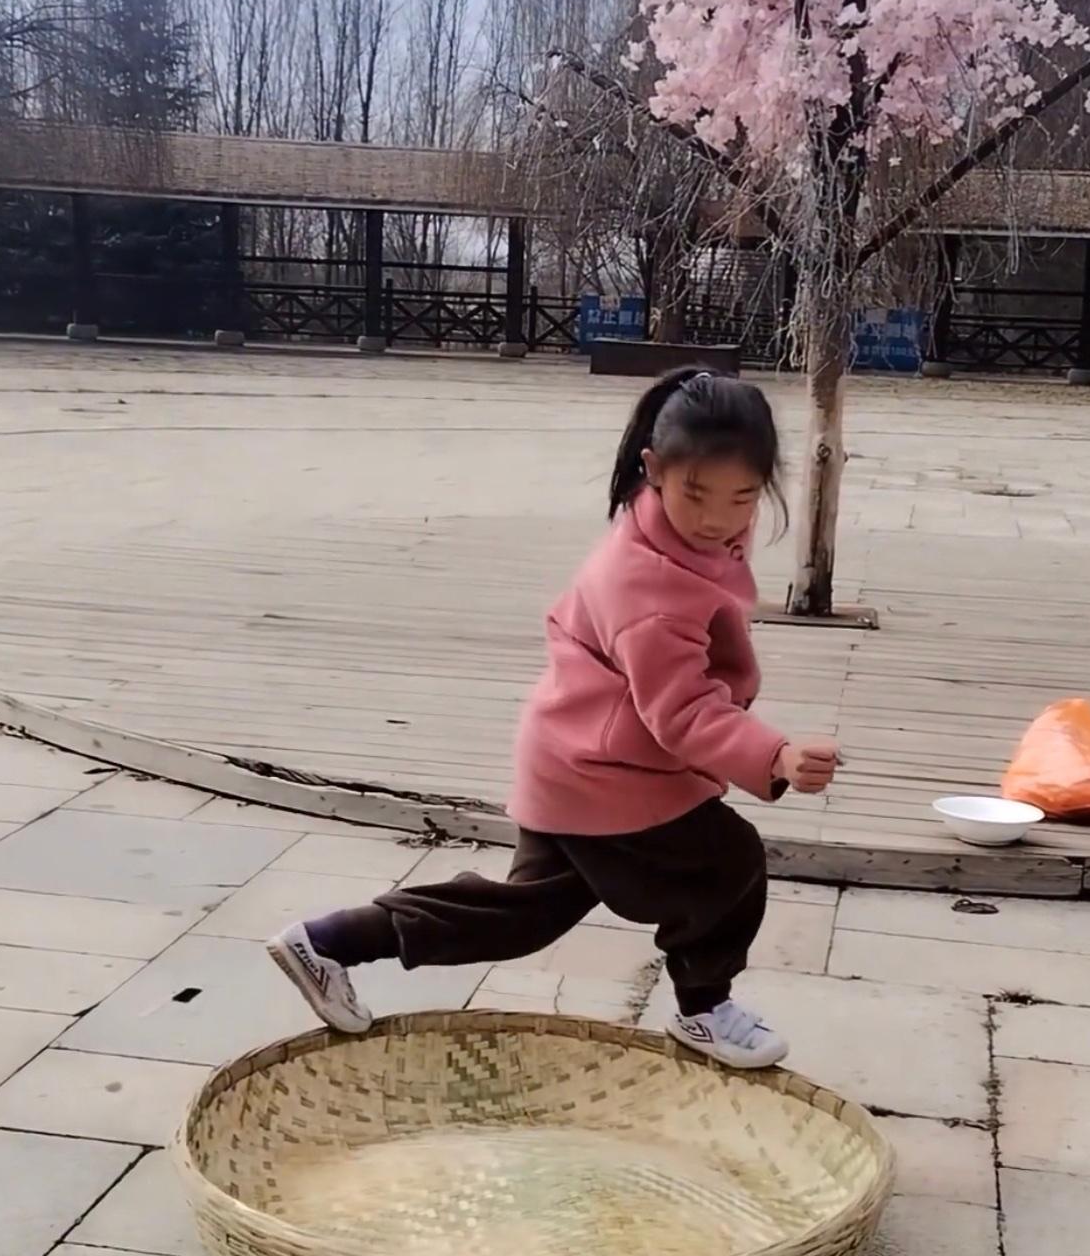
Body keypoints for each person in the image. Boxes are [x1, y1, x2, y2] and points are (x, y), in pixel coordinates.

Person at [270, 367, 839, 1068]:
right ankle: (705, 1009)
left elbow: (700, 607)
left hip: (570, 754)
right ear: (654, 470)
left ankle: (327, 942)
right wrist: (773, 755)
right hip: (610, 773)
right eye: (697, 495)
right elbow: (680, 710)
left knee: (524, 917)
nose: (720, 518)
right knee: (729, 862)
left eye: (744, 497)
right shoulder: (649, 588)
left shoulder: (675, 532)